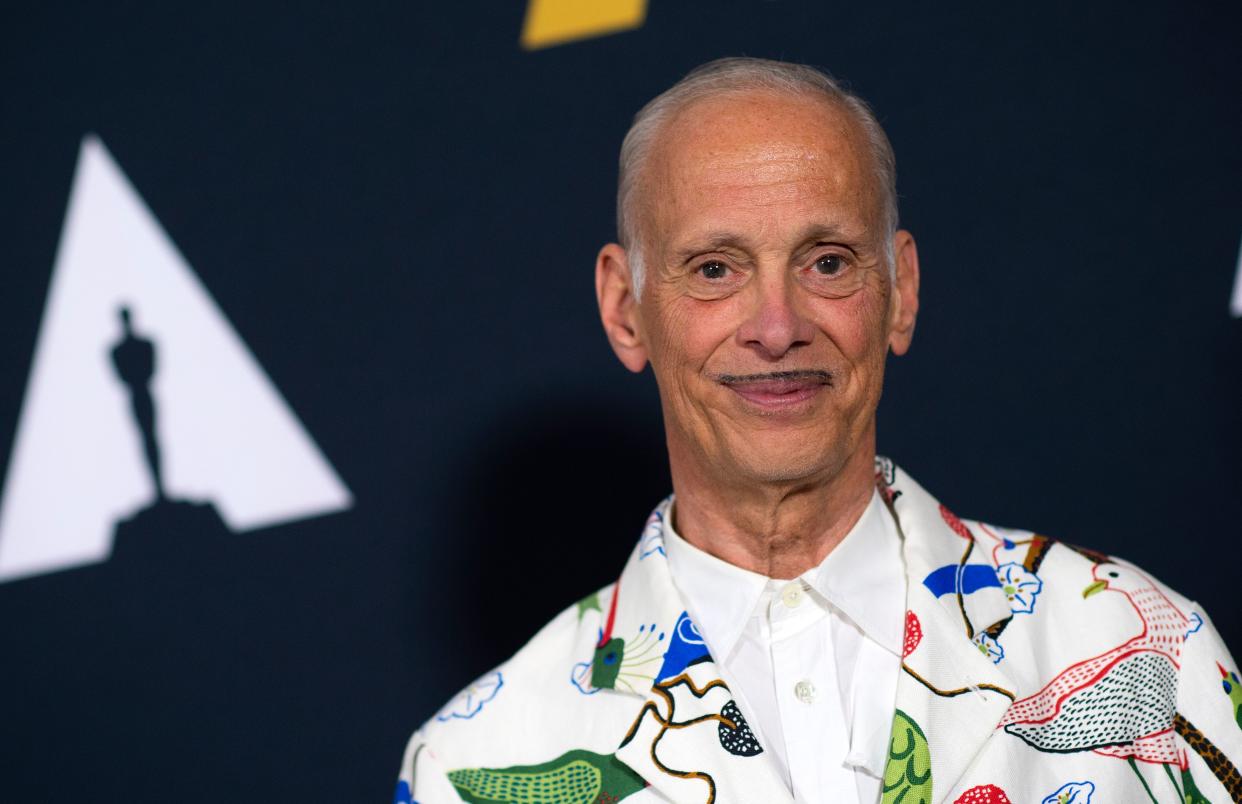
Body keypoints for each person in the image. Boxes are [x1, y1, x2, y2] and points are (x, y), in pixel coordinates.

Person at [395, 57, 1242, 804]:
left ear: (900, 291)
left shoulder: (1139, 639)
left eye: (827, 261)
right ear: (627, 310)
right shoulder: (475, 766)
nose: (775, 325)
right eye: (715, 269)